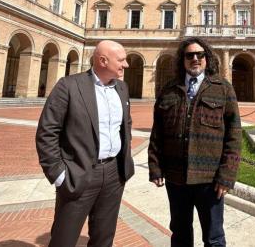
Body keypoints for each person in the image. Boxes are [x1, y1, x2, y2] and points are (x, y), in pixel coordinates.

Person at [36, 40, 135, 247]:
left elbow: (125, 126)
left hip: (113, 174)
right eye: (121, 60)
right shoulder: (69, 86)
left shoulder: (122, 89)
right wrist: (59, 174)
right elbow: (47, 131)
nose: (126, 65)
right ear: (103, 60)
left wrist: (123, 164)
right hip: (78, 173)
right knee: (64, 239)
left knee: (104, 238)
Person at [148, 37, 241, 247]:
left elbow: (234, 136)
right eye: (190, 55)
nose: (195, 59)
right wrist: (155, 167)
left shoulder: (223, 88)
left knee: (214, 237)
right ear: (182, 59)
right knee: (179, 234)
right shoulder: (169, 90)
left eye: (200, 55)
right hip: (176, 178)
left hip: (210, 181)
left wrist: (227, 175)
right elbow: (157, 133)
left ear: (207, 59)